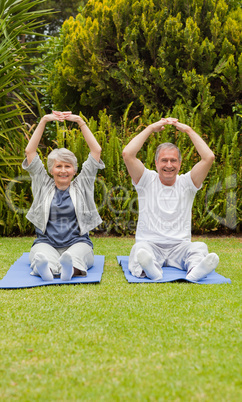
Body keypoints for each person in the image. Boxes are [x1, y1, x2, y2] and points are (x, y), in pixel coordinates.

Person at [122, 117, 219, 282]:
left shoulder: (188, 183)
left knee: (199, 247)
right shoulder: (145, 179)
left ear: (180, 164)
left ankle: (196, 270)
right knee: (139, 249)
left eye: (173, 160)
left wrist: (188, 130)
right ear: (156, 163)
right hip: (150, 245)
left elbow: (208, 157)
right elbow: (127, 154)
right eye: (164, 160)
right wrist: (151, 128)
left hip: (179, 247)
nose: (169, 164)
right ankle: (151, 270)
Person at [22, 111, 104, 281]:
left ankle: (68, 270)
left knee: (74, 257)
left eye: (68, 166)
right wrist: (44, 120)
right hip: (46, 242)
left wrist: (81, 122)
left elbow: (96, 150)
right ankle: (47, 270)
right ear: (51, 170)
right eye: (59, 166)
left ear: (74, 170)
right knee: (41, 256)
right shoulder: (42, 184)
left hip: (78, 243)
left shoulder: (83, 184)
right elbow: (30, 151)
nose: (63, 170)